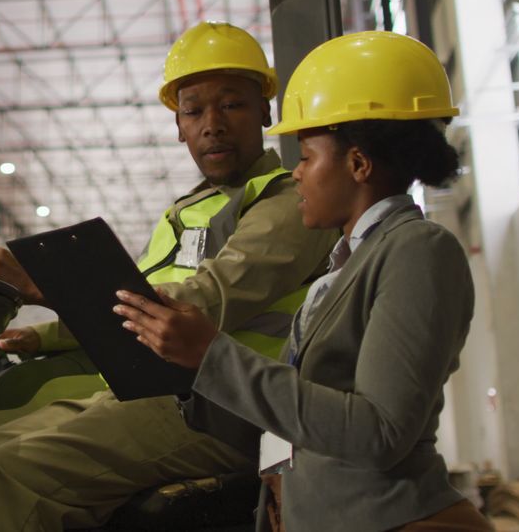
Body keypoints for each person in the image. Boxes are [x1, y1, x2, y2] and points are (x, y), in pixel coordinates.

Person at [0, 22, 337, 532]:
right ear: (178, 126)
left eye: (232, 104)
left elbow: (200, 301)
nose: (212, 124)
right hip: (146, 395)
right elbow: (134, 310)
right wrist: (41, 336)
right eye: (194, 110)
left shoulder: (285, 202)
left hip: (225, 408)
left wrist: (44, 284)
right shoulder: (186, 211)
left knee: (10, 475)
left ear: (266, 111)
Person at [114, 31, 492, 531]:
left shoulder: (417, 252)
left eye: (307, 157)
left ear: (357, 163)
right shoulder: (339, 272)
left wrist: (212, 356)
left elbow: (379, 431)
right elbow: (302, 410)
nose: (296, 176)